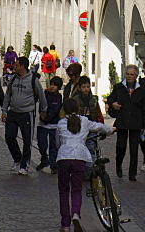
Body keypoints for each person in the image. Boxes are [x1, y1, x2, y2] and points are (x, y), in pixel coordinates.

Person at [56, 97, 113, 232]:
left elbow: (57, 143)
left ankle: (65, 225)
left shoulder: (61, 123)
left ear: (64, 110)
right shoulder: (85, 121)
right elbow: (100, 127)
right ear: (78, 109)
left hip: (64, 158)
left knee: (64, 191)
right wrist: (111, 130)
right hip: (79, 158)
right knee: (76, 189)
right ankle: (76, 214)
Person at [1, 55, 48, 174]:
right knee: (9, 136)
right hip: (13, 112)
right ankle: (17, 158)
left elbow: (41, 97)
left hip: (26, 113)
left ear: (22, 66)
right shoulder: (13, 79)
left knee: (27, 140)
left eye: (16, 65)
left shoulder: (33, 80)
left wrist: (43, 111)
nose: (14, 66)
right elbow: (8, 95)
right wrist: (4, 110)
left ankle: (25, 164)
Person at [109, 65, 145, 181]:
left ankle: (132, 173)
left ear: (136, 76)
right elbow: (110, 99)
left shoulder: (140, 89)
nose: (129, 76)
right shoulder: (119, 87)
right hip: (122, 121)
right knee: (121, 147)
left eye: (132, 74)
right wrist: (113, 104)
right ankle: (118, 166)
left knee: (134, 149)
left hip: (135, 122)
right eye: (127, 74)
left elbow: (144, 107)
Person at [37, 75, 63, 173]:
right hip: (43, 124)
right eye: (51, 84)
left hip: (54, 124)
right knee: (42, 144)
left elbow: (57, 110)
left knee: (54, 146)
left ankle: (53, 165)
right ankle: (44, 160)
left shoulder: (59, 97)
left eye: (55, 85)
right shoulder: (45, 94)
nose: (52, 87)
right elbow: (42, 106)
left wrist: (48, 117)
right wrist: (43, 116)